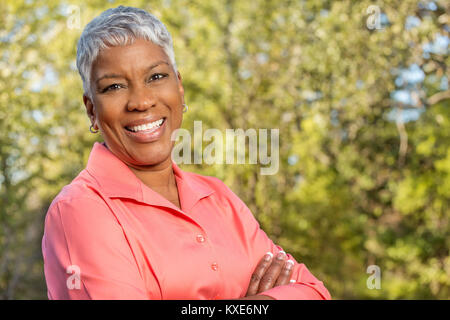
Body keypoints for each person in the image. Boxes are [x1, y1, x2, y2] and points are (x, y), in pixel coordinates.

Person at [41, 5, 331, 300]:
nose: (141, 102)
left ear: (179, 87)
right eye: (114, 86)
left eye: (155, 77)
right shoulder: (80, 210)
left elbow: (314, 291)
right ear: (92, 109)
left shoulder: (219, 197)